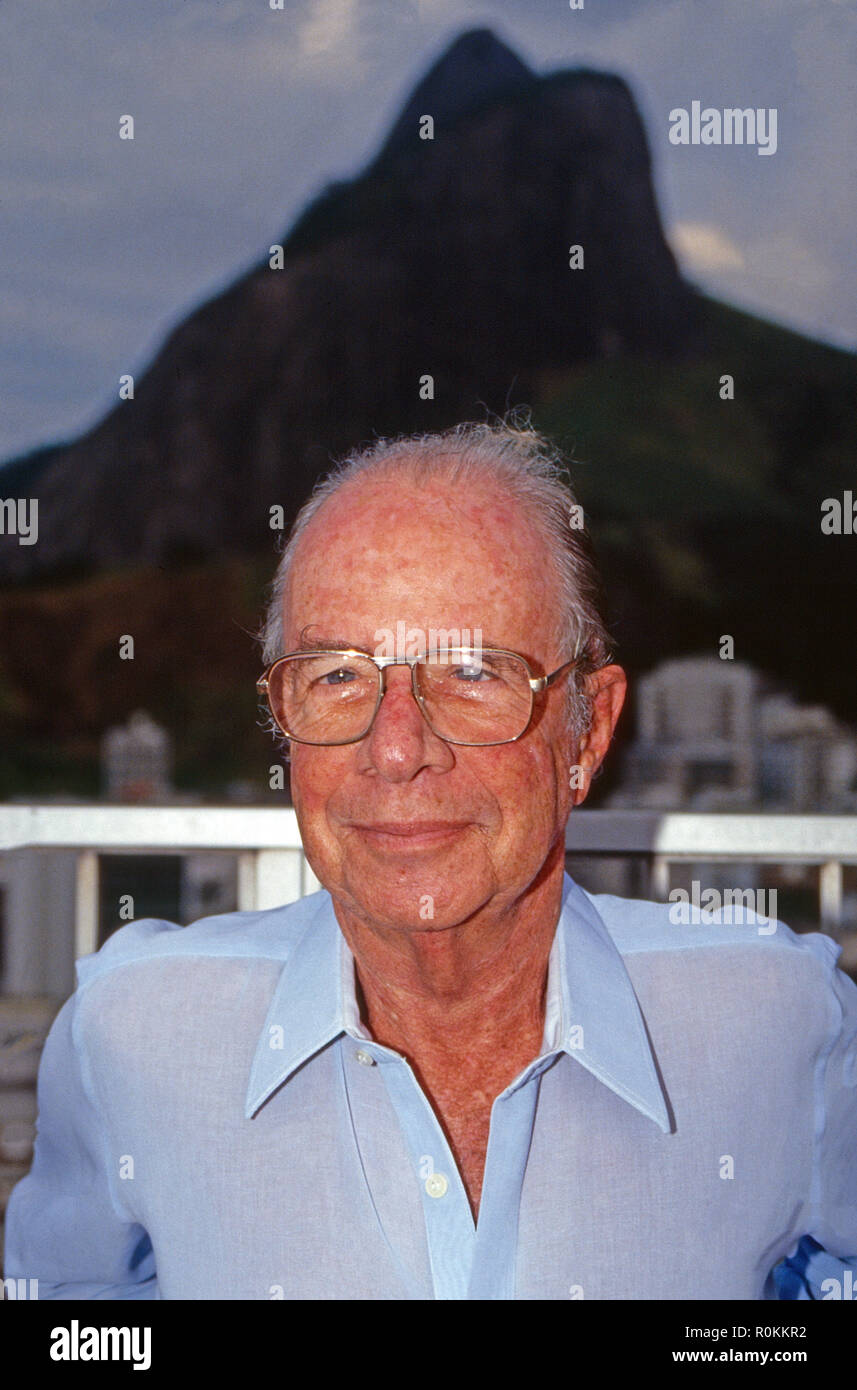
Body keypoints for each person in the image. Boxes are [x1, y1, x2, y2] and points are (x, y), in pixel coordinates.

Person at [5, 420, 856, 1299]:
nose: (397, 747)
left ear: (587, 731)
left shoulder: (778, 1025)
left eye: (473, 672)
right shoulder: (134, 1032)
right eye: (337, 675)